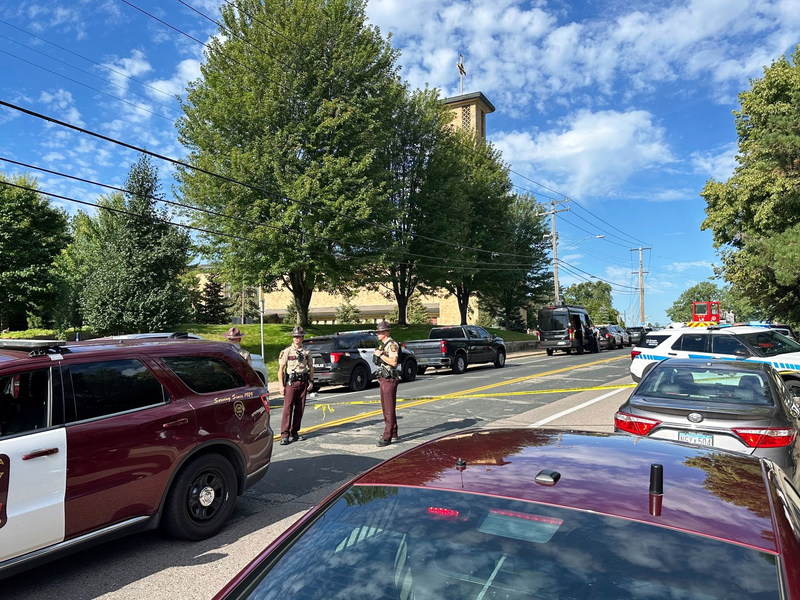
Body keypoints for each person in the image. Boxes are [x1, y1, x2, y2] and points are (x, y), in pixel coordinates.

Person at [277, 326, 314, 445]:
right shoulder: (287, 351)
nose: (296, 338)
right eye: (294, 337)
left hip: (302, 382)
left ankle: (295, 431)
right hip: (291, 383)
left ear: (303, 338)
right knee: (288, 408)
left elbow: (311, 367)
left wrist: (311, 381)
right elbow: (280, 369)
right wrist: (281, 386)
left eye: (298, 336)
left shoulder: (306, 351)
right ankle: (285, 434)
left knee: (300, 408)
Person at [373, 320, 400, 447]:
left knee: (388, 409)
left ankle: (387, 436)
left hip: (389, 379)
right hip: (383, 379)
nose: (377, 334)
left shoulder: (392, 345)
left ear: (385, 332)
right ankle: (393, 432)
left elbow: (394, 362)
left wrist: (380, 355)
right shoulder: (383, 345)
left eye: (379, 332)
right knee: (386, 408)